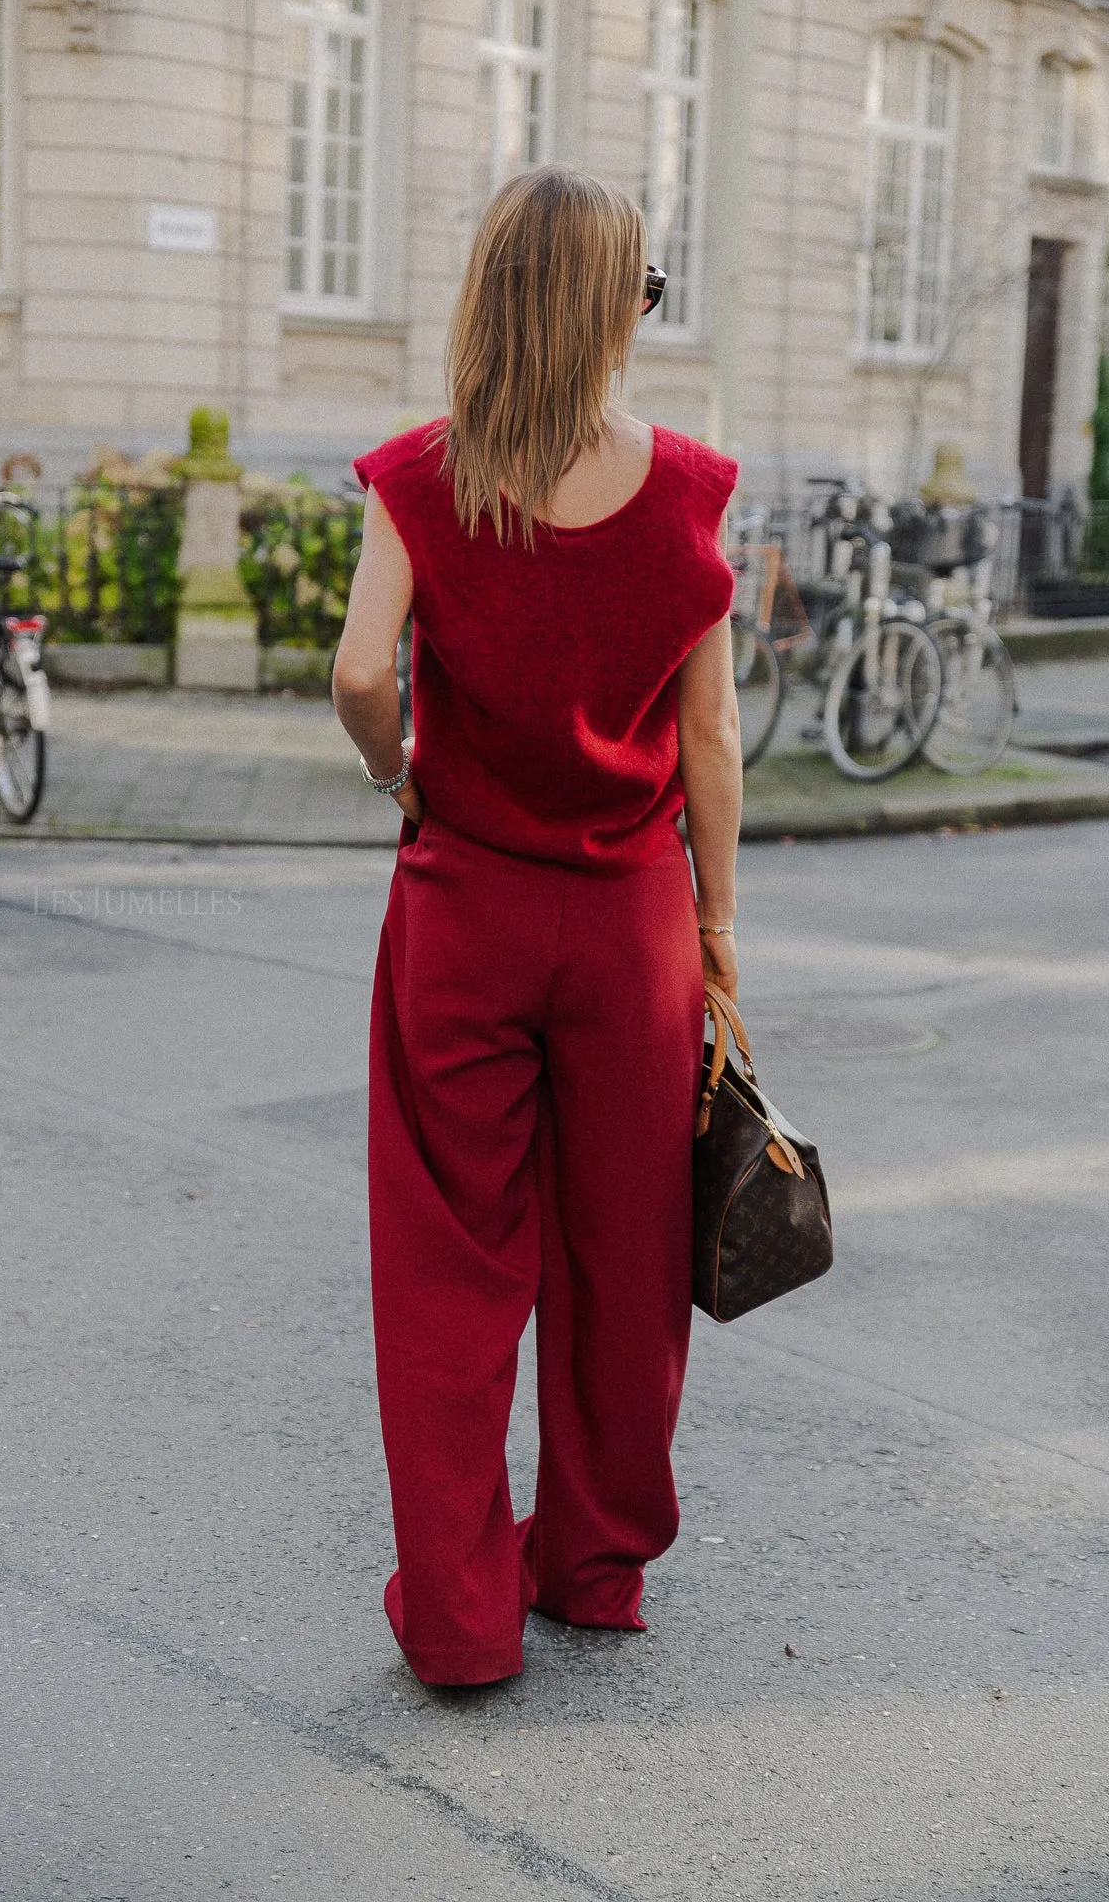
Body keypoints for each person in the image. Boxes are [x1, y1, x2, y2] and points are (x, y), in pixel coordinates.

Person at [332, 165, 743, 1688]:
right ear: (609, 312)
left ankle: (457, 1620)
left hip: (464, 905)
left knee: (448, 1269)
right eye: (643, 292)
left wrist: (401, 777)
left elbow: (362, 673)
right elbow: (710, 744)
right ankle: (594, 1566)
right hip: (631, 919)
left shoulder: (423, 480)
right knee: (626, 1258)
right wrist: (719, 932)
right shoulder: (694, 493)